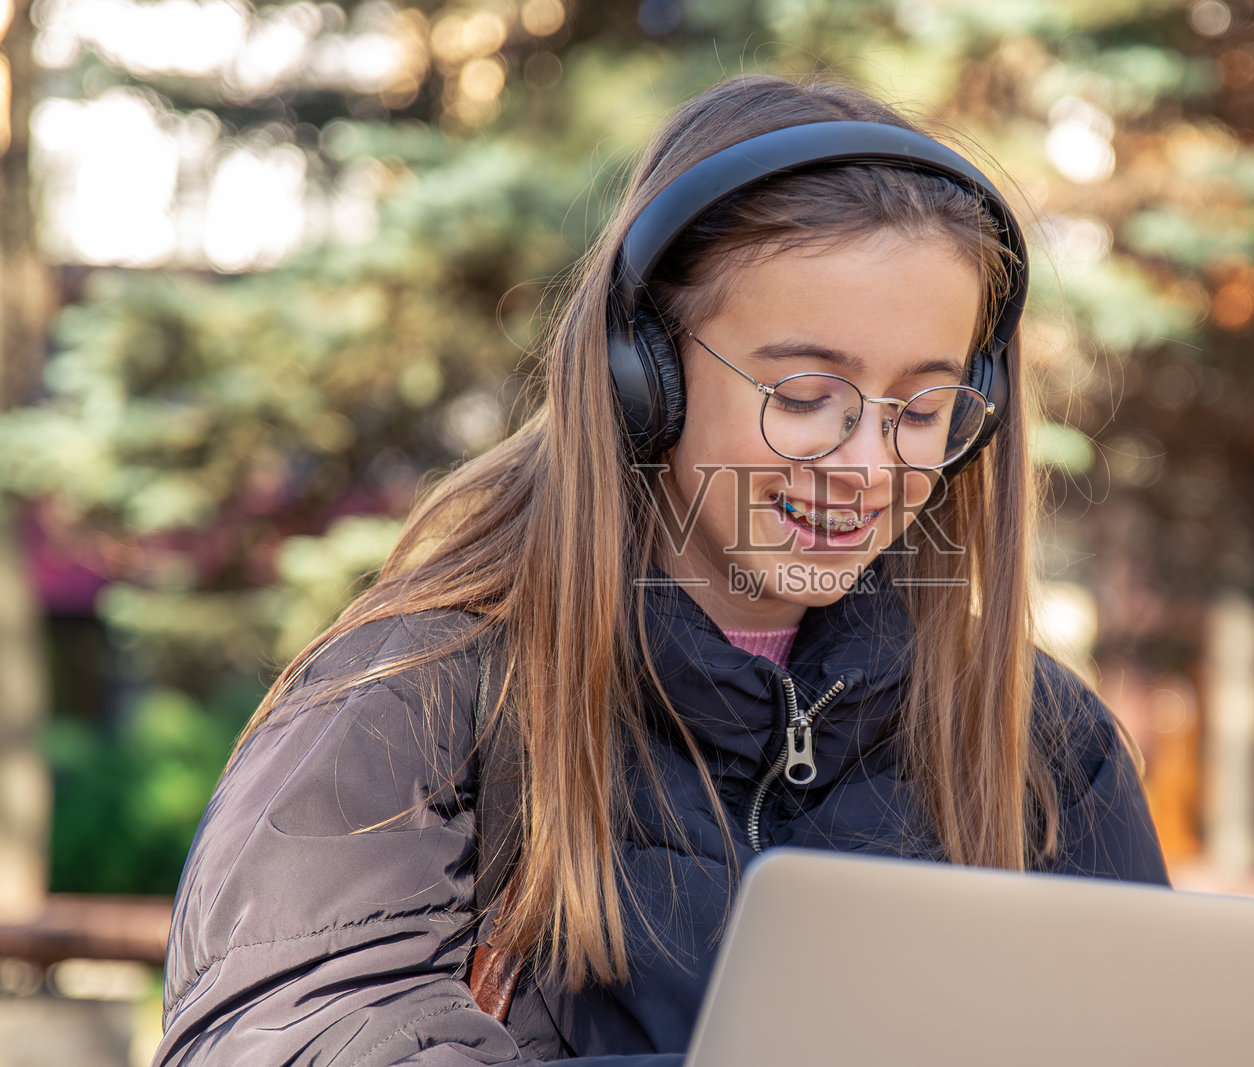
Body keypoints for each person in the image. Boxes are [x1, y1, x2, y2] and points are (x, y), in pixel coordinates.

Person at [154, 73, 1168, 1066]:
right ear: (645, 374)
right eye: (803, 393)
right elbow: (298, 1031)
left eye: (922, 406)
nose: (867, 464)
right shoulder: (414, 698)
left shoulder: (1043, 742)